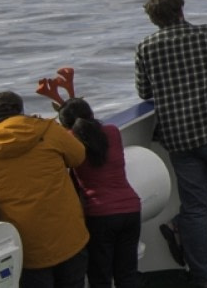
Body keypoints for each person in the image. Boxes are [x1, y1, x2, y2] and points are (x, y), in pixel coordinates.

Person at [133, 0, 207, 288]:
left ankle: (205, 275)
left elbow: (144, 92)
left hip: (178, 138)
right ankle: (183, 225)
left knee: (195, 207)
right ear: (181, 10)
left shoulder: (146, 48)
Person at [0, 91, 88, 288]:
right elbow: (78, 156)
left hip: (28, 246)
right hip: (68, 235)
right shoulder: (47, 130)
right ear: (22, 110)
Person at [57, 98, 143, 288]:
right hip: (130, 209)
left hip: (100, 215)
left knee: (100, 277)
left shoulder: (70, 140)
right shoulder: (112, 131)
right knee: (127, 275)